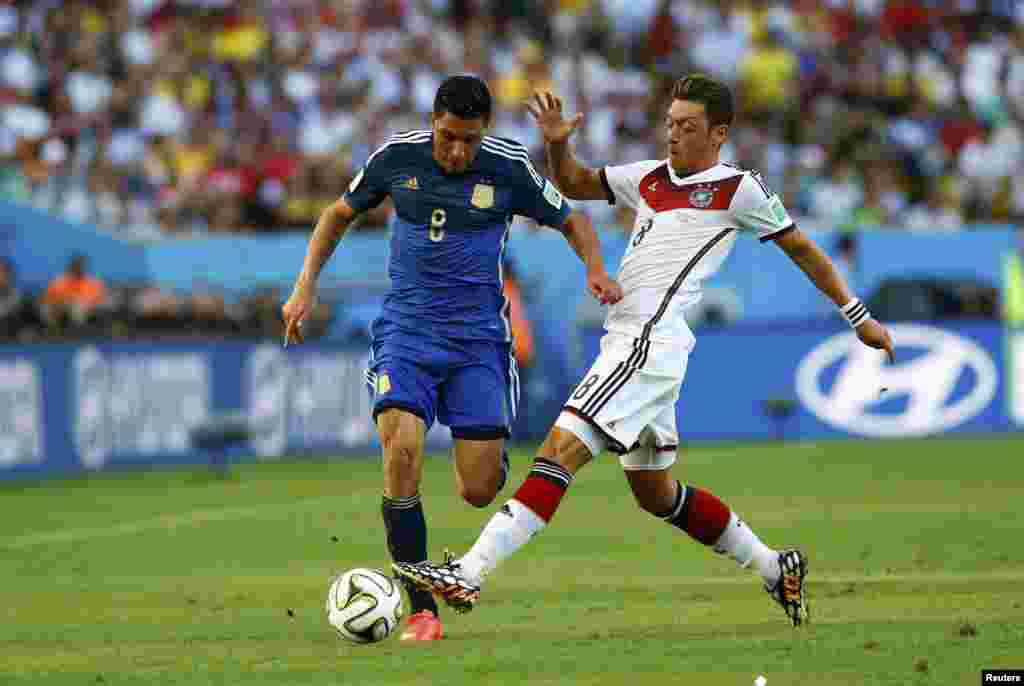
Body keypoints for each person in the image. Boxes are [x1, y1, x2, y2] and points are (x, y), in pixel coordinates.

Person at [394, 74, 895, 628]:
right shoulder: (650, 177)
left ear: (719, 133)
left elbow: (800, 247)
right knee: (656, 493)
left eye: (687, 126)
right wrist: (559, 144)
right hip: (638, 343)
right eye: (670, 124)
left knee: (560, 451)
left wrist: (859, 316)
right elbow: (578, 183)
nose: (674, 135)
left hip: (647, 342)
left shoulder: (738, 189)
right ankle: (777, 567)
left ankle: (469, 571)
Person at [280, 75, 622, 642]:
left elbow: (571, 218)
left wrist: (594, 268)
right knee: (402, 449)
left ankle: (484, 468)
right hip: (407, 335)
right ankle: (421, 606)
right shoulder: (397, 158)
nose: (457, 151)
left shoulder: (508, 166)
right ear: (433, 121)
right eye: (448, 137)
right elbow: (336, 215)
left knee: (478, 489)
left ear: (484, 132)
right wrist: (305, 285)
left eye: (469, 140)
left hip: (477, 343)